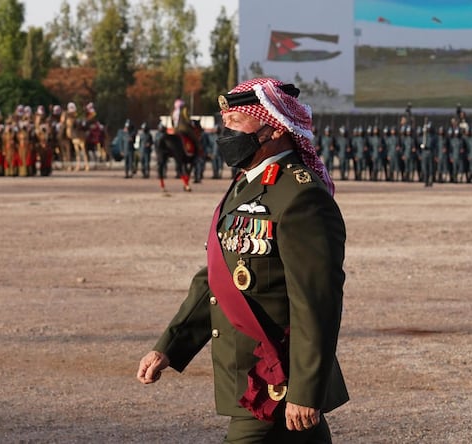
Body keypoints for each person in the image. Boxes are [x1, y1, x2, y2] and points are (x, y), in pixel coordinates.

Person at [137, 77, 348, 443]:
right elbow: (220, 275)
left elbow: (317, 302)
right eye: (225, 120)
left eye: (236, 120)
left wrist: (305, 390)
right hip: (255, 371)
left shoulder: (300, 196)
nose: (226, 129)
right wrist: (169, 345)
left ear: (275, 128)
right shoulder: (247, 183)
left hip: (274, 376)